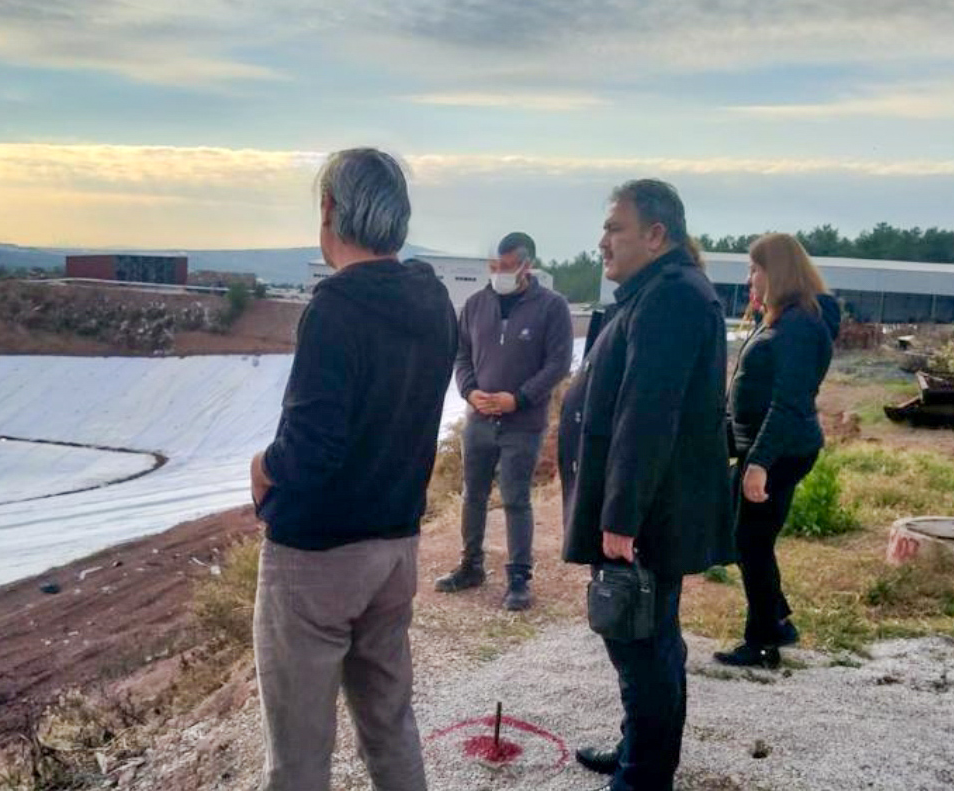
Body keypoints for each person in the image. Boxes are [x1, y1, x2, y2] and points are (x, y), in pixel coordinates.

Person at [249, 148, 458, 791]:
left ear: (329, 211)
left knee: (299, 756)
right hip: (395, 546)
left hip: (317, 559)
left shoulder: (335, 307)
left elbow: (310, 450)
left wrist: (262, 468)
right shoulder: (434, 301)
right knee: (390, 725)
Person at [560, 180, 734, 790]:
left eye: (615, 228)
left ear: (656, 234)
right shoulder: (655, 292)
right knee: (644, 639)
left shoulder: (672, 298)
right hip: (650, 509)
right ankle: (639, 749)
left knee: (644, 646)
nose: (602, 241)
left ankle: (643, 777)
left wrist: (621, 518)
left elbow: (648, 413)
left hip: (651, 515)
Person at [714, 233, 840, 669]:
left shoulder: (800, 325)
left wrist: (759, 465)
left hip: (781, 450)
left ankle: (764, 639)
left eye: (754, 269)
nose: (750, 277)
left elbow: (789, 402)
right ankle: (776, 621)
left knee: (751, 540)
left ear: (777, 271)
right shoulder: (779, 318)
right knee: (748, 538)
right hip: (761, 445)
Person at [434, 231, 573, 610]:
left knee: (515, 499)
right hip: (478, 419)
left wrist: (519, 398)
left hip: (522, 423)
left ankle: (518, 579)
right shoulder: (476, 304)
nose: (497, 273)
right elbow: (461, 354)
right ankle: (470, 566)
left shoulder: (552, 307)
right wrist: (469, 391)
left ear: (526, 266)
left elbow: (558, 363)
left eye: (506, 267)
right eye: (493, 266)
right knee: (473, 495)